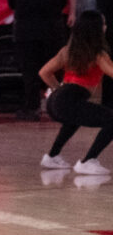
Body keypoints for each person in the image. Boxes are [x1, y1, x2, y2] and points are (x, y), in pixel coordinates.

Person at [40, 10, 113, 176]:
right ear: (96, 29)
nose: (105, 27)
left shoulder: (67, 50)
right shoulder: (98, 54)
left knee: (74, 118)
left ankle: (52, 157)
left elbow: (44, 72)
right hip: (69, 99)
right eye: (103, 24)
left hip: (55, 101)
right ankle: (88, 161)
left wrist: (58, 89)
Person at [9, 0, 68, 121]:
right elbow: (62, 3)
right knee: (54, 70)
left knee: (30, 71)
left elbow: (12, 4)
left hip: (26, 31)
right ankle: (57, 106)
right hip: (52, 30)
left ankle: (32, 107)